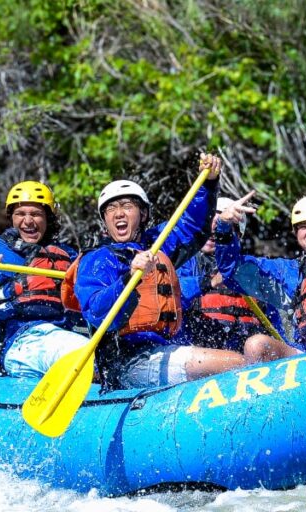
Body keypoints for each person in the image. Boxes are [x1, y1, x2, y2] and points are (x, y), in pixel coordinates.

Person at [64, 154, 260, 390]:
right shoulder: (97, 260)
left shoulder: (157, 244)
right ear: (105, 220)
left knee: (247, 356)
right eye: (111, 209)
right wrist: (128, 279)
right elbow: (96, 312)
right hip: (128, 361)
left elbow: (193, 226)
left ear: (143, 214)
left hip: (168, 347)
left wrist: (209, 183)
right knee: (237, 363)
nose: (119, 214)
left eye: (127, 206)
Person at [0, 181, 90, 377]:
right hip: (17, 340)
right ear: (11, 218)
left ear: (48, 217)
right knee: (82, 355)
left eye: (36, 214)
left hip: (60, 333)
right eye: (20, 214)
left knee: (95, 354)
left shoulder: (67, 255)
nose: (28, 221)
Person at [213, 194, 306, 351]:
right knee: (256, 345)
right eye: (304, 226)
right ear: (295, 232)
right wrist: (223, 227)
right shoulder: (285, 272)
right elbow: (231, 270)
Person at [178, 195, 293, 360]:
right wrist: (208, 282)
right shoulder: (186, 266)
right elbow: (172, 298)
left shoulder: (249, 273)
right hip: (201, 358)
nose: (213, 229)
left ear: (237, 236)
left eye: (221, 226)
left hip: (246, 359)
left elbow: (276, 329)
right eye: (210, 221)